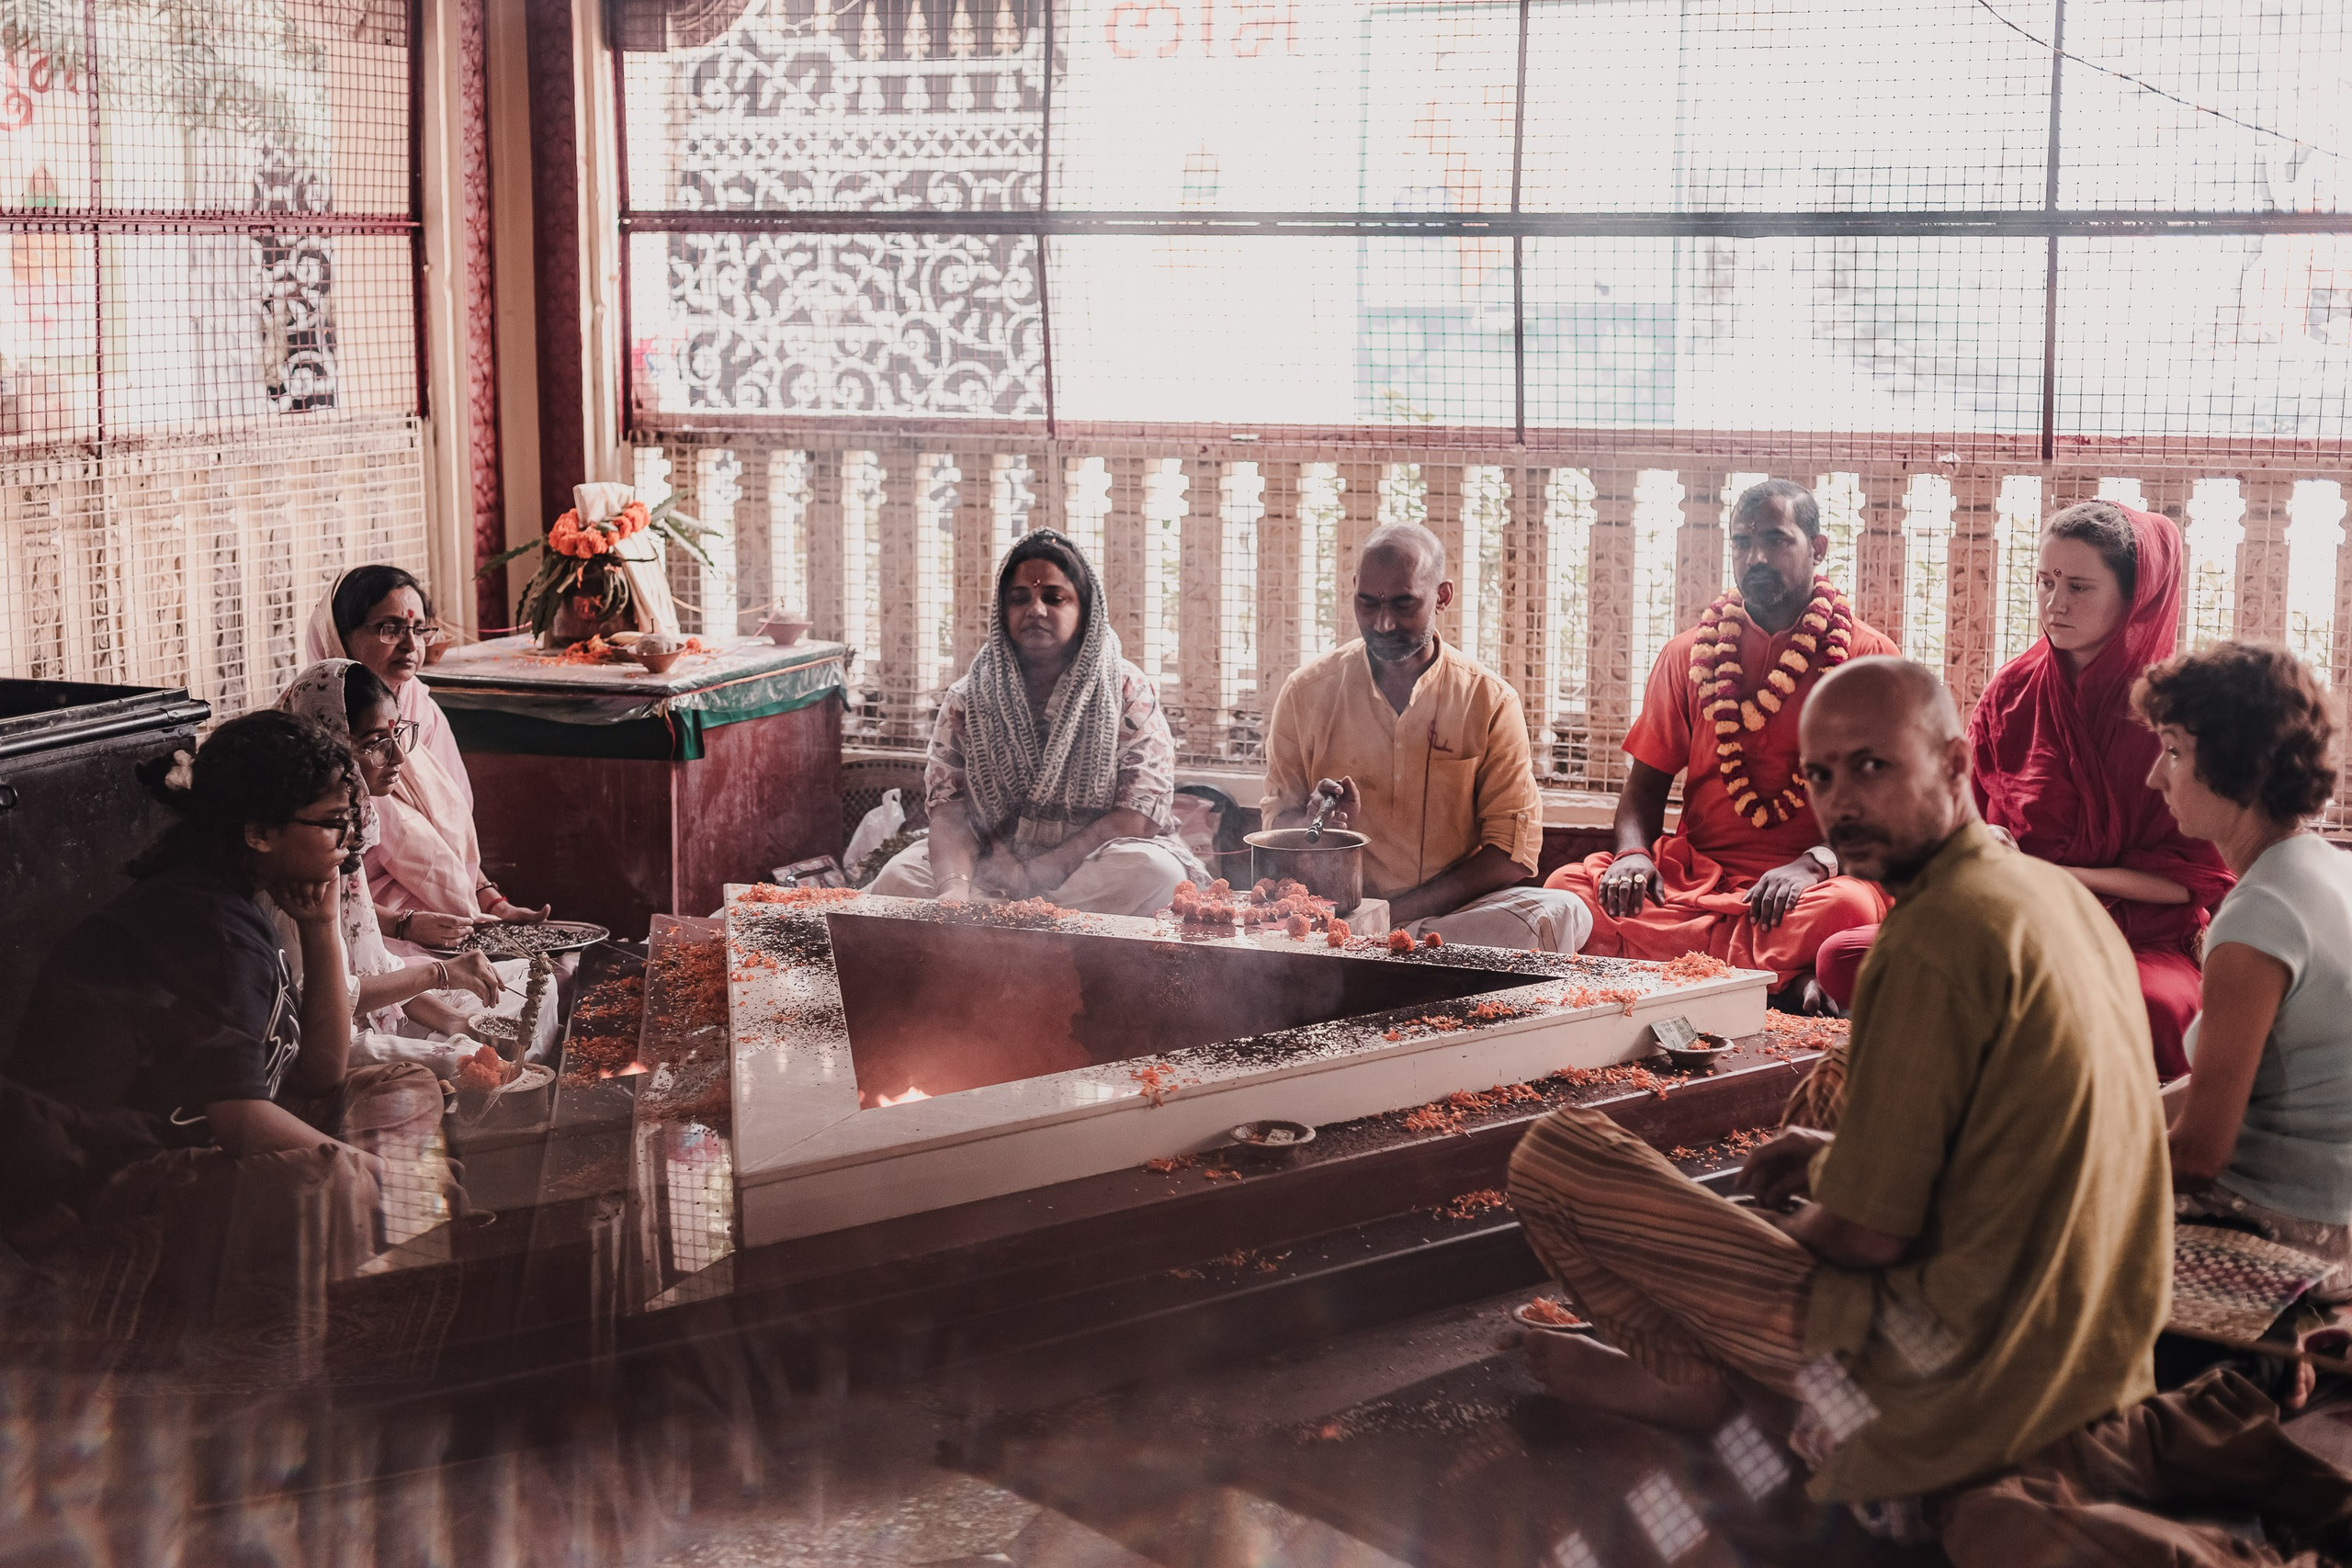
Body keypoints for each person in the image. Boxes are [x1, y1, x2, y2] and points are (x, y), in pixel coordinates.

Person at [1507, 658, 2170, 1534]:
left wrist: (1740, 1245)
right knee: (1830, 1090)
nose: (1841, 801)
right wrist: (1831, 1161)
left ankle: (1714, 1389)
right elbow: (2007, 1149)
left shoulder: (1932, 936)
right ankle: (1745, 1382)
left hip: (1954, 1379)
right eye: (1821, 775)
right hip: (2099, 1364)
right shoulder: (2053, 894)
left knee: (1557, 1156)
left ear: (1955, 763)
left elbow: (1864, 1238)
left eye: (1872, 766)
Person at [6, 711, 456, 1308]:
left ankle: (394, 1240)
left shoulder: (240, 904)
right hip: (112, 1179)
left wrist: (320, 923)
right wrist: (377, 1175)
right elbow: (241, 1121)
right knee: (337, 1184)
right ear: (259, 833)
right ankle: (385, 1262)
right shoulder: (209, 926)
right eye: (332, 823)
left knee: (404, 1084)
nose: (350, 841)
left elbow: (321, 1073)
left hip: (198, 1138)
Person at [1815, 502, 2232, 1075]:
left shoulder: (2174, 713)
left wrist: (2052, 875)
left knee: (2150, 1007)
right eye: (2045, 581)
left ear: (2135, 596)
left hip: (2137, 941)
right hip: (2013, 921)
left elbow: (2189, 884)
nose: (2055, 603)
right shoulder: (2013, 690)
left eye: (2079, 586)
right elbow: (1959, 821)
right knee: (1845, 957)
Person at [1546, 480, 1897, 1003]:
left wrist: (1815, 864)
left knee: (1848, 909)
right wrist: (1633, 855)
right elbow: (1643, 790)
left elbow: (1894, 810)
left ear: (1818, 549)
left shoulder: (1867, 658)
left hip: (1811, 883)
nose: (1756, 557)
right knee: (1567, 890)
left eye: (1776, 540)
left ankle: (1677, 974)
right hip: (1694, 877)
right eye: (1742, 542)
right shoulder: (1689, 654)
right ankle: (1783, 981)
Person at [1259, 522, 1591, 951]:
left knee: (1563, 910)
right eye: (1368, 603)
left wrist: (1393, 916)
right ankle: (1383, 955)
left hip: (1447, 918)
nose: (1383, 624)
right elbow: (1274, 824)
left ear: (1443, 596)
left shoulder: (1488, 700)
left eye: (1404, 604)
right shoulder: (1306, 693)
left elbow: (1512, 855)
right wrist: (1313, 826)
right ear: (1354, 589)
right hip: (1339, 916)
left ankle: (1387, 950)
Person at [2138, 641, 2352, 1298]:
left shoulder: (2259, 915)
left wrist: (2052, 1167)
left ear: (2239, 764)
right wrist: (2106, 1117)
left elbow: (2199, 1156)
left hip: (2284, 1231)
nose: (2155, 777)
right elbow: (2221, 1084)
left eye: (2174, 751)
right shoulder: (2323, 867)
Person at [868, 530, 1206, 916]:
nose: (1036, 610)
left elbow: (1138, 815)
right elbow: (950, 812)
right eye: (1019, 599)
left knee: (1154, 873)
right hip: (989, 863)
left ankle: (1009, 924)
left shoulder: (1127, 690)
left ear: (1085, 611)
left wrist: (1039, 871)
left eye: (1054, 598)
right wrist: (954, 892)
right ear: (1002, 612)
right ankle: (1004, 922)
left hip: (1089, 863)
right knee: (897, 881)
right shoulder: (968, 697)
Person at [306, 565, 547, 940]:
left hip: (442, 914)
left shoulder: (422, 712)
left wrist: (493, 902)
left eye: (418, 630)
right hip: (354, 923)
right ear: (340, 635)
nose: (410, 645)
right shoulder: (314, 723)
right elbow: (312, 887)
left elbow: (443, 836)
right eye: (390, 629)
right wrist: (405, 926)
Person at [277, 659, 504, 1037]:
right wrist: (439, 973)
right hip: (319, 1039)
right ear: (329, 745)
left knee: (527, 993)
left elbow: (372, 958)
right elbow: (323, 1001)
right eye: (376, 744)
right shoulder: (305, 847)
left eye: (397, 735)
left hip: (367, 1003)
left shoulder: (351, 822)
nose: (399, 756)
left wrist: (457, 1022)